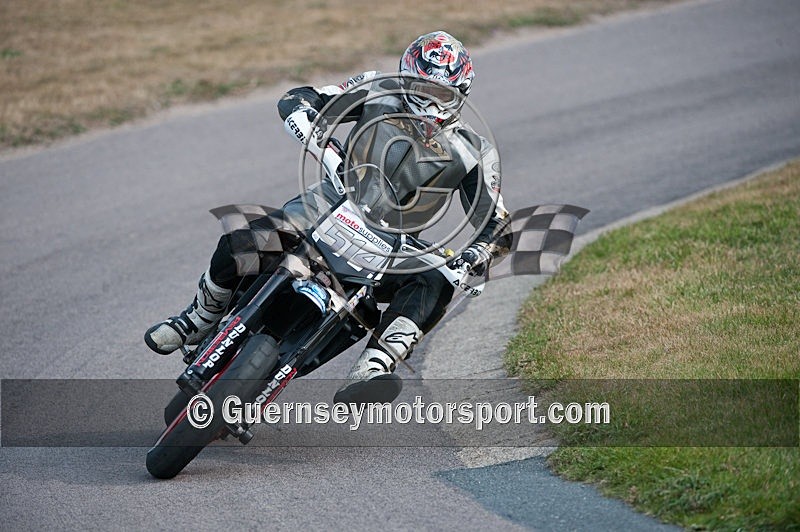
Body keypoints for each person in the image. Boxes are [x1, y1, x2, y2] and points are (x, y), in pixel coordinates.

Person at [145, 31, 511, 403]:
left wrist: (476, 255)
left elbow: (498, 224)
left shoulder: (473, 152)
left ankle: (373, 368)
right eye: (420, 86)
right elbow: (303, 98)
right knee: (244, 238)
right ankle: (197, 318)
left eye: (441, 94)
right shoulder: (375, 89)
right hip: (324, 210)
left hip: (390, 248)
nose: (428, 102)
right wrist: (312, 128)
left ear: (461, 94)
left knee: (437, 281)